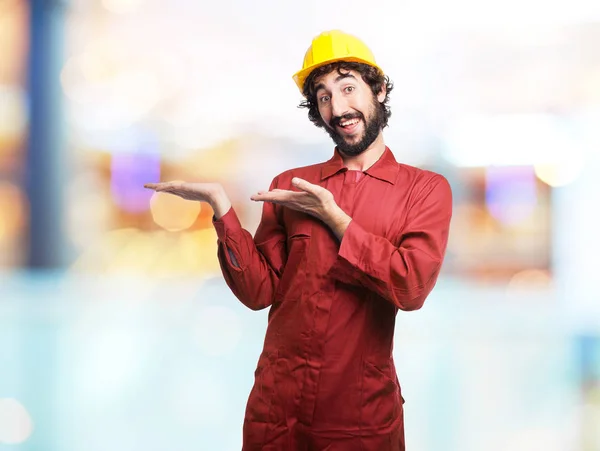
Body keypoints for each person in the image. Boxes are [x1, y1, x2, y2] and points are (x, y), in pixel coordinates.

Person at [145, 29, 453, 451]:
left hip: (359, 419)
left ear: (379, 90)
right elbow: (260, 292)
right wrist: (223, 210)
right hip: (277, 410)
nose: (338, 107)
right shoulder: (292, 186)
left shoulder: (424, 190)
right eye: (324, 96)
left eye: (348, 88)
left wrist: (338, 220)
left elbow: (411, 287)